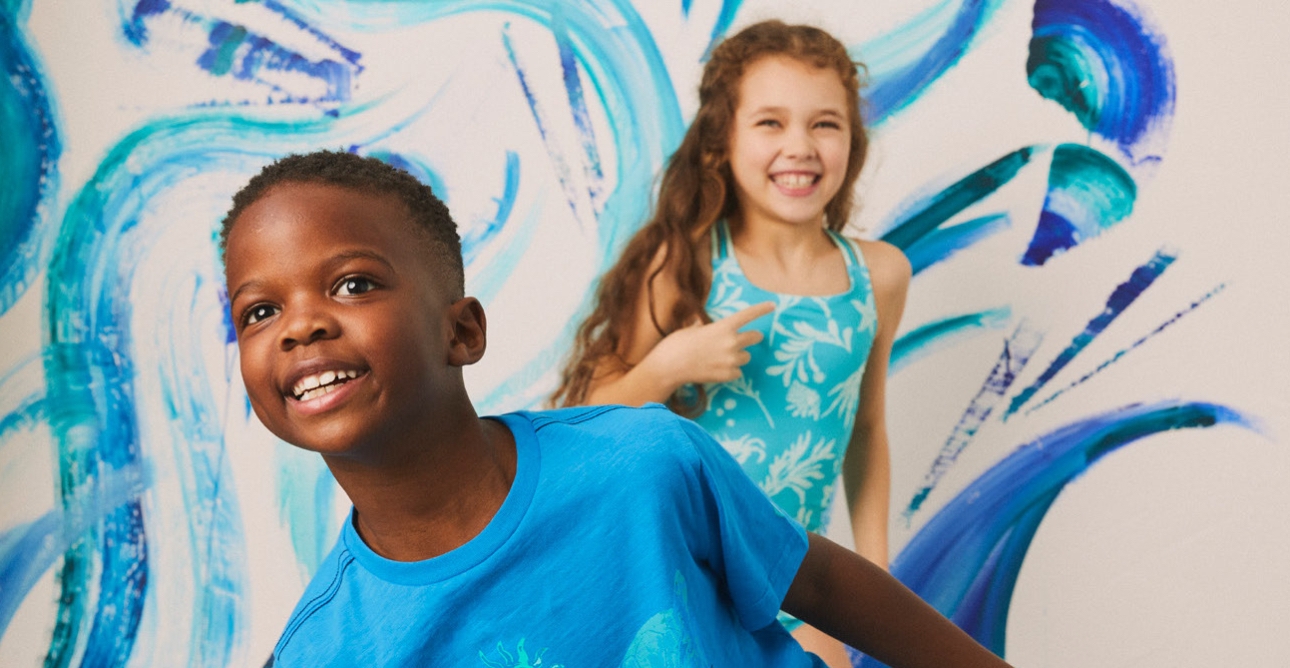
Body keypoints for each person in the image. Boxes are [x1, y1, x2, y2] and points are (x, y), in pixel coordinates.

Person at [221, 150, 1005, 667]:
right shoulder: (323, 651)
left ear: (461, 331)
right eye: (258, 312)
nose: (301, 324)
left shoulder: (644, 462)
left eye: (353, 284)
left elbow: (824, 586)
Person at [550, 20, 910, 666]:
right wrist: (668, 366)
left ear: (851, 142)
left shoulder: (879, 276)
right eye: (770, 123)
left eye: (824, 124)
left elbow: (868, 427)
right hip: (674, 575)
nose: (799, 146)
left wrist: (871, 581)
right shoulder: (683, 264)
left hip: (798, 583)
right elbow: (584, 420)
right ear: (721, 142)